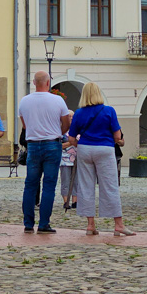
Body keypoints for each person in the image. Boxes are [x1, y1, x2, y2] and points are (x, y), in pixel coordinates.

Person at [68, 83, 134, 237]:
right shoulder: (108, 111)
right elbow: (117, 136)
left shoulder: (78, 113)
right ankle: (118, 225)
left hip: (85, 149)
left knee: (85, 186)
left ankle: (90, 225)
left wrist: (82, 145)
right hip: (105, 149)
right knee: (109, 186)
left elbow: (71, 138)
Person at [18, 71, 70, 234]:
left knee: (30, 184)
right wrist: (56, 132)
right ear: (48, 83)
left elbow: (25, 125)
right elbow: (66, 123)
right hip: (52, 145)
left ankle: (28, 223)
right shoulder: (58, 100)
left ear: (34, 83)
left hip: (33, 145)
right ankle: (43, 223)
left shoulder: (24, 101)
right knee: (49, 185)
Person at [59, 111, 78, 209]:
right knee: (65, 181)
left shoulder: (78, 129)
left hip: (77, 159)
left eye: (72, 116)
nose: (71, 118)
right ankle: (66, 202)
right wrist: (71, 143)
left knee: (76, 181)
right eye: (69, 116)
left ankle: (75, 201)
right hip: (64, 159)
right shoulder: (61, 131)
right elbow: (58, 145)